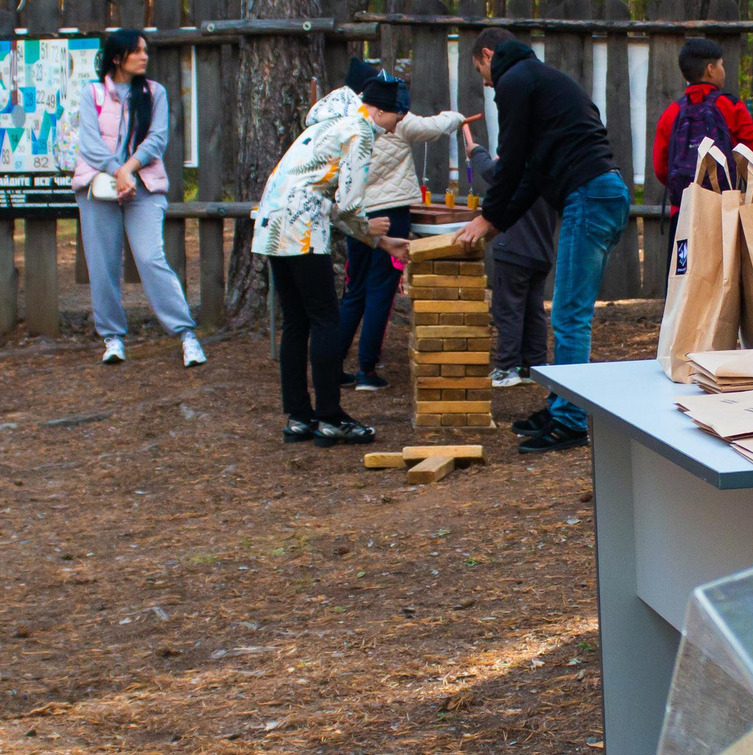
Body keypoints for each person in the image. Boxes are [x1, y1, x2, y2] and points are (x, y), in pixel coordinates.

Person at [451, 27, 628, 452]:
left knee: (568, 314)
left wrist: (488, 215)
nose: (486, 83)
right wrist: (497, 223)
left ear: (488, 54)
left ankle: (570, 421)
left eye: (480, 71)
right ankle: (560, 405)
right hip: (601, 192)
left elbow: (510, 161)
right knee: (567, 312)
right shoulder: (541, 79)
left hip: (590, 194)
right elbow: (530, 174)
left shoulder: (514, 80)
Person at [250, 74, 411, 444]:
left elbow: (324, 199)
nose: (393, 128)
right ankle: (330, 417)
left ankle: (298, 417)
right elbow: (350, 204)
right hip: (303, 229)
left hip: (273, 223)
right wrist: (372, 231)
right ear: (381, 110)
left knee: (296, 321)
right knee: (325, 320)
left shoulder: (329, 123)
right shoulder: (359, 131)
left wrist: (380, 241)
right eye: (396, 119)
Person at [334, 61, 473, 391]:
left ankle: (333, 363)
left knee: (355, 290)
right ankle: (367, 369)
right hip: (392, 215)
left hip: (357, 215)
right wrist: (456, 117)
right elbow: (432, 127)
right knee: (381, 290)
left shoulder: (346, 122)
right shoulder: (396, 118)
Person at [74, 28, 207, 369]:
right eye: (138, 51)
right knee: (102, 264)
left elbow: (157, 139)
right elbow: (89, 143)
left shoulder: (154, 92)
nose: (145, 56)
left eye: (146, 50)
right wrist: (116, 172)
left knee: (150, 257)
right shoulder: (92, 93)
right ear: (118, 58)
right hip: (98, 188)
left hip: (144, 187)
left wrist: (128, 170)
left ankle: (186, 334)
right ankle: (112, 338)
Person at [461, 123, 555, 389]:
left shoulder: (515, 168)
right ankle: (534, 365)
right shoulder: (549, 170)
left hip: (513, 250)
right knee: (533, 311)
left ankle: (506, 367)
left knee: (508, 310)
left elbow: (490, 171)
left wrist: (475, 151)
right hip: (541, 253)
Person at [652, 36, 753, 213]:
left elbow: (661, 169)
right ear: (710, 69)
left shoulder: (671, 113)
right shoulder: (730, 107)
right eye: (721, 65)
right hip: (724, 211)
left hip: (684, 212)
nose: (723, 70)